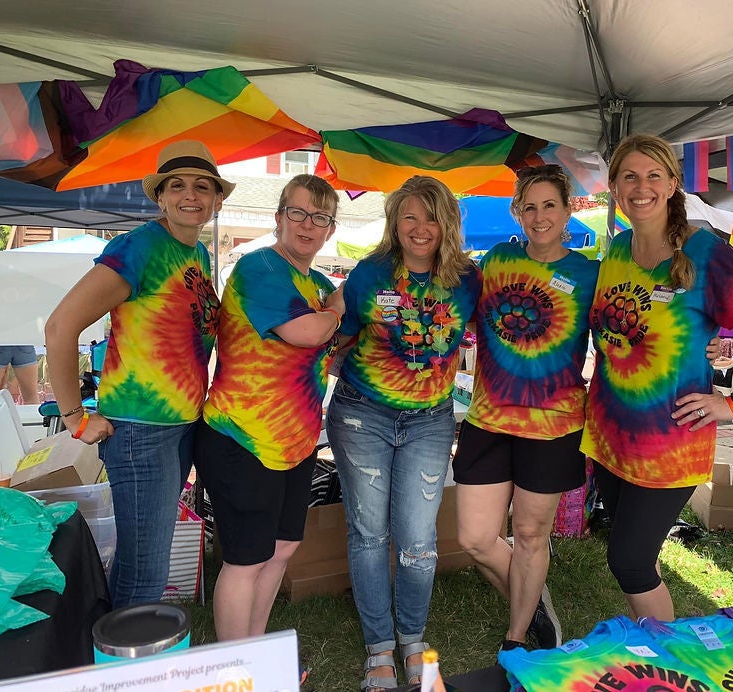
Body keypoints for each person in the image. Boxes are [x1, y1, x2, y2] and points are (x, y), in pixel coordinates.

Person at [581, 133, 733, 621]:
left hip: (670, 442)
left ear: (673, 184)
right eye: (629, 176)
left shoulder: (705, 254)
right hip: (611, 434)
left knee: (628, 561)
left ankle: (669, 661)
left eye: (654, 175)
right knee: (636, 553)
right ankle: (650, 640)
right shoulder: (615, 250)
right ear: (613, 186)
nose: (642, 187)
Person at [45, 140, 231, 608]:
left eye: (203, 186)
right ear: (161, 197)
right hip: (140, 430)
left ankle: (106, 652)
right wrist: (74, 416)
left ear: (217, 198)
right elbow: (60, 327)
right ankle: (127, 669)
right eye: (178, 186)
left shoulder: (197, 256)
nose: (191, 195)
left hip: (181, 426)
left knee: (138, 560)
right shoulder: (139, 246)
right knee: (148, 573)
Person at [325, 175, 482, 691]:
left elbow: (494, 334)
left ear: (448, 224)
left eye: (430, 217)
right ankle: (379, 650)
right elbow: (337, 340)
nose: (419, 228)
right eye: (409, 216)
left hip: (430, 421)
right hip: (361, 416)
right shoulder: (370, 275)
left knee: (418, 540)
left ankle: (412, 640)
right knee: (369, 535)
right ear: (394, 221)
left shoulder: (467, 280)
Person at [451, 164, 599, 654]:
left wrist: (704, 351)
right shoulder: (495, 261)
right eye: (529, 206)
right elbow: (451, 308)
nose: (539, 217)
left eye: (549, 205)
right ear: (517, 211)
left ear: (568, 209)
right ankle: (532, 600)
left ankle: (517, 637)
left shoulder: (588, 274)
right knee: (474, 538)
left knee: (531, 533)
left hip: (553, 425)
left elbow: (629, 338)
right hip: (488, 418)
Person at [194, 174, 344, 641]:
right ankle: (232, 668)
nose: (307, 225)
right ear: (279, 218)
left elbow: (336, 349)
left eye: (319, 218)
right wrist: (339, 310)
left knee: (281, 548)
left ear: (330, 230)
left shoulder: (318, 282)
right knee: (245, 559)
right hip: (242, 437)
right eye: (297, 213)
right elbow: (308, 333)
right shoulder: (259, 268)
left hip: (296, 443)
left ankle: (254, 655)